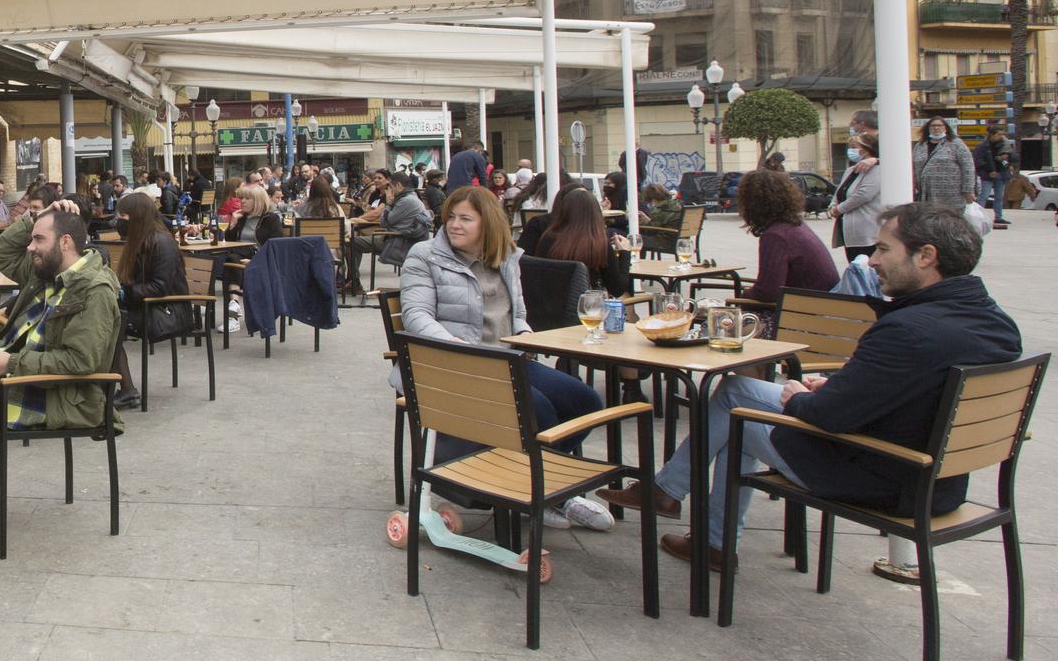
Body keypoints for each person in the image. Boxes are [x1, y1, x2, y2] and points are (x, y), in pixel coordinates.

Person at [603, 204, 1019, 562]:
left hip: (884, 478)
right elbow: (908, 393)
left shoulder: (907, 330)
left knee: (734, 405)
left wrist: (799, 394)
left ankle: (683, 508)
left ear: (926, 256)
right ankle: (696, 524)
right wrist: (838, 388)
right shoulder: (997, 325)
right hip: (940, 479)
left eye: (884, 249)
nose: (871, 261)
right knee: (735, 398)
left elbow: (827, 417)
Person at [399, 185, 614, 532]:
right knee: (538, 410)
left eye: (466, 219)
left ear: (488, 225)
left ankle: (542, 485)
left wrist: (525, 334)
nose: (454, 224)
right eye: (451, 217)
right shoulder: (425, 256)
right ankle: (545, 491)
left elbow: (517, 313)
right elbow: (416, 315)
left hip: (509, 360)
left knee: (586, 401)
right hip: (458, 365)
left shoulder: (507, 258)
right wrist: (455, 344)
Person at [0, 199, 123, 432]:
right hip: (5, 374)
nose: (30, 247)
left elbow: (80, 361)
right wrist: (38, 218)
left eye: (39, 239)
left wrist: (11, 363)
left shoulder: (94, 290)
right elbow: (2, 253)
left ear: (65, 242)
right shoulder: (46, 271)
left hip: (46, 396)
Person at [112, 192, 184, 408]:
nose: (119, 221)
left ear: (137, 217)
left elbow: (160, 287)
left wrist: (125, 293)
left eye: (123, 216)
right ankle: (114, 387)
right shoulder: (143, 241)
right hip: (148, 307)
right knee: (97, 320)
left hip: (166, 312)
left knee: (108, 326)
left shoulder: (161, 243)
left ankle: (126, 390)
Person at [736, 169, 838, 305]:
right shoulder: (795, 226)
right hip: (825, 305)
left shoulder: (775, 235)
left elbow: (768, 292)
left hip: (807, 313)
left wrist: (743, 295)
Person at [533, 187, 633, 297]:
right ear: (596, 213)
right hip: (585, 309)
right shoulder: (598, 244)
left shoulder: (547, 238)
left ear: (563, 210)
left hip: (547, 306)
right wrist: (625, 253)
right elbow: (617, 289)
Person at [829, 131, 884, 265]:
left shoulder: (877, 169)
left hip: (867, 231)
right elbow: (840, 191)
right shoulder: (851, 170)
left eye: (855, 147)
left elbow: (863, 195)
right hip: (848, 230)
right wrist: (832, 206)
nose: (851, 150)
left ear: (866, 149)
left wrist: (839, 209)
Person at [912, 114, 976, 208]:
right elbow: (913, 167)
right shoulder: (920, 146)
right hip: (926, 195)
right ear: (928, 128)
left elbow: (968, 167)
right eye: (933, 126)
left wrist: (968, 190)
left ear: (945, 128)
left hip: (951, 196)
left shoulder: (956, 143)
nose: (936, 128)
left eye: (939, 125)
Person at [973, 124, 1015, 228]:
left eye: (1002, 134)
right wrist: (989, 170)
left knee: (999, 197)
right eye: (999, 134)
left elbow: (1015, 157)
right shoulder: (982, 146)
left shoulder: (1005, 145)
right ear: (992, 135)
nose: (1001, 137)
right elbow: (978, 161)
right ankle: (978, 217)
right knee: (984, 196)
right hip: (987, 175)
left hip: (1001, 174)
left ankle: (998, 217)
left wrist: (1008, 157)